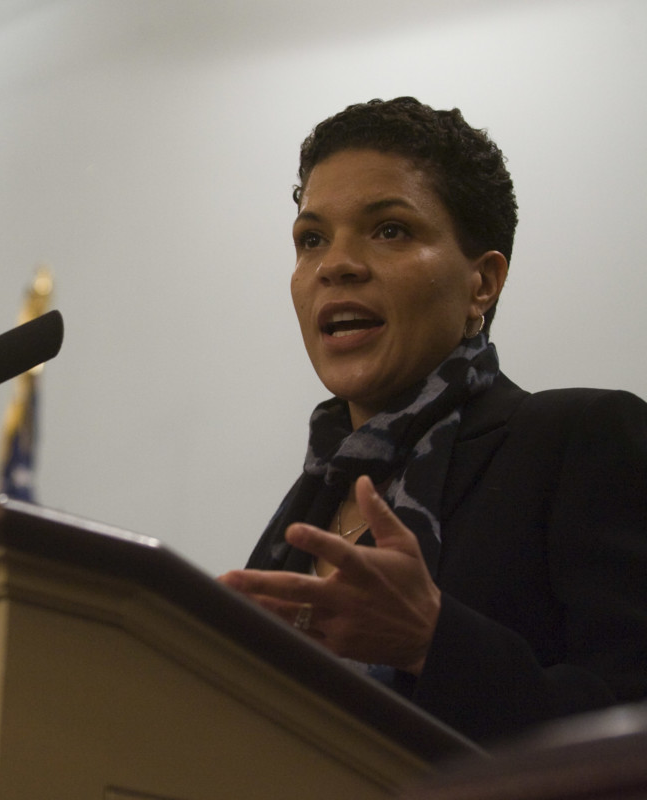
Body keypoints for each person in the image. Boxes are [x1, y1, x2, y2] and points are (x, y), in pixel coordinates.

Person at [218, 97, 647, 746]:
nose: (335, 264)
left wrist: (431, 641)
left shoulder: (580, 439)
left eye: (389, 229)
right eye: (312, 239)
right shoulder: (303, 515)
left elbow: (630, 720)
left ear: (483, 282)